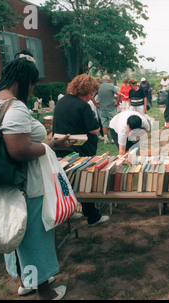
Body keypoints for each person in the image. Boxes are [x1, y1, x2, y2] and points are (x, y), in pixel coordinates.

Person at [0, 51, 71, 300]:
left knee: (14, 232)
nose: (32, 89)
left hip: (3, 182)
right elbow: (19, 150)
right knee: (35, 236)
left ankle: (25, 283)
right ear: (26, 80)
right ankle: (45, 291)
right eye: (32, 84)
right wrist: (50, 145)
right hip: (26, 183)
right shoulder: (14, 107)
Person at [53, 74, 109, 227]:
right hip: (82, 149)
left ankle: (69, 211)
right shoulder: (83, 105)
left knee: (66, 180)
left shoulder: (61, 101)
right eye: (91, 94)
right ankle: (92, 216)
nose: (91, 97)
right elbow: (94, 129)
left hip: (62, 148)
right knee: (86, 182)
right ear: (85, 91)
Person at [97, 75, 119, 144]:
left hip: (102, 108)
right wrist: (117, 102)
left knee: (104, 124)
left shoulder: (99, 87)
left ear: (102, 80)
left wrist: (95, 104)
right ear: (109, 80)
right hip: (111, 108)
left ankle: (105, 139)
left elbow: (91, 96)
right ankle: (113, 138)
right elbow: (119, 93)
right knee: (114, 123)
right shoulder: (111, 86)